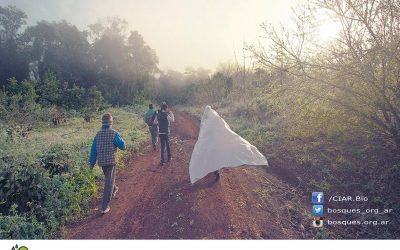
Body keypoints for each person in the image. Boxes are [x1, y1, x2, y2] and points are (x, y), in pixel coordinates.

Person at [89, 113, 126, 214]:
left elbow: (93, 150)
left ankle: (114, 189)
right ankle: (104, 207)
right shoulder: (114, 133)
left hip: (102, 162)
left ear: (102, 122)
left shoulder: (98, 134)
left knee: (109, 179)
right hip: (111, 162)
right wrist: (120, 139)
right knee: (108, 183)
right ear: (111, 122)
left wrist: (91, 163)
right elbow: (123, 146)